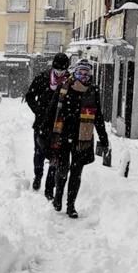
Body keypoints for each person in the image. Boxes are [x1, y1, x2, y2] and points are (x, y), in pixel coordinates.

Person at [44, 60, 110, 218]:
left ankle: (71, 206)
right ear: (75, 72)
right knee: (62, 169)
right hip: (63, 135)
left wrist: (104, 138)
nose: (83, 75)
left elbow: (98, 117)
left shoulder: (92, 91)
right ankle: (58, 198)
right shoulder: (64, 87)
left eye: (87, 72)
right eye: (81, 72)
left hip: (83, 138)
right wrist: (46, 131)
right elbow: (52, 110)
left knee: (76, 172)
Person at [24, 52, 72, 192]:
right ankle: (38, 176)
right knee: (39, 151)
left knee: (55, 153)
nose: (59, 73)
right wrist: (38, 110)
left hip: (59, 125)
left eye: (62, 70)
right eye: (57, 70)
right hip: (41, 123)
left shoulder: (69, 81)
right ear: (53, 67)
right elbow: (30, 96)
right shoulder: (43, 78)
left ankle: (50, 183)